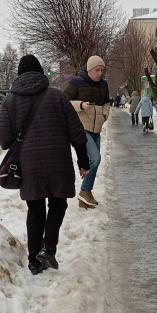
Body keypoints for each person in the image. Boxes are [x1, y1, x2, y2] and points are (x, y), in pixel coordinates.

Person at [0, 55, 90, 275]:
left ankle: (33, 261)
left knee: (35, 210)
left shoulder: (10, 101)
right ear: (40, 72)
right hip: (59, 163)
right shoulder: (57, 97)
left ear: (19, 75)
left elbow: (3, 139)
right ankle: (48, 249)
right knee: (58, 205)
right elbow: (77, 134)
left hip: (29, 166)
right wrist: (83, 163)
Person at [64, 55, 110, 209]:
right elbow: (64, 101)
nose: (100, 73)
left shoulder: (103, 84)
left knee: (94, 161)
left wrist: (105, 114)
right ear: (89, 69)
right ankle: (85, 191)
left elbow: (106, 103)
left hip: (96, 128)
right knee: (95, 158)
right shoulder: (76, 82)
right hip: (81, 127)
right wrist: (81, 105)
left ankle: (86, 195)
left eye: (102, 70)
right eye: (97, 70)